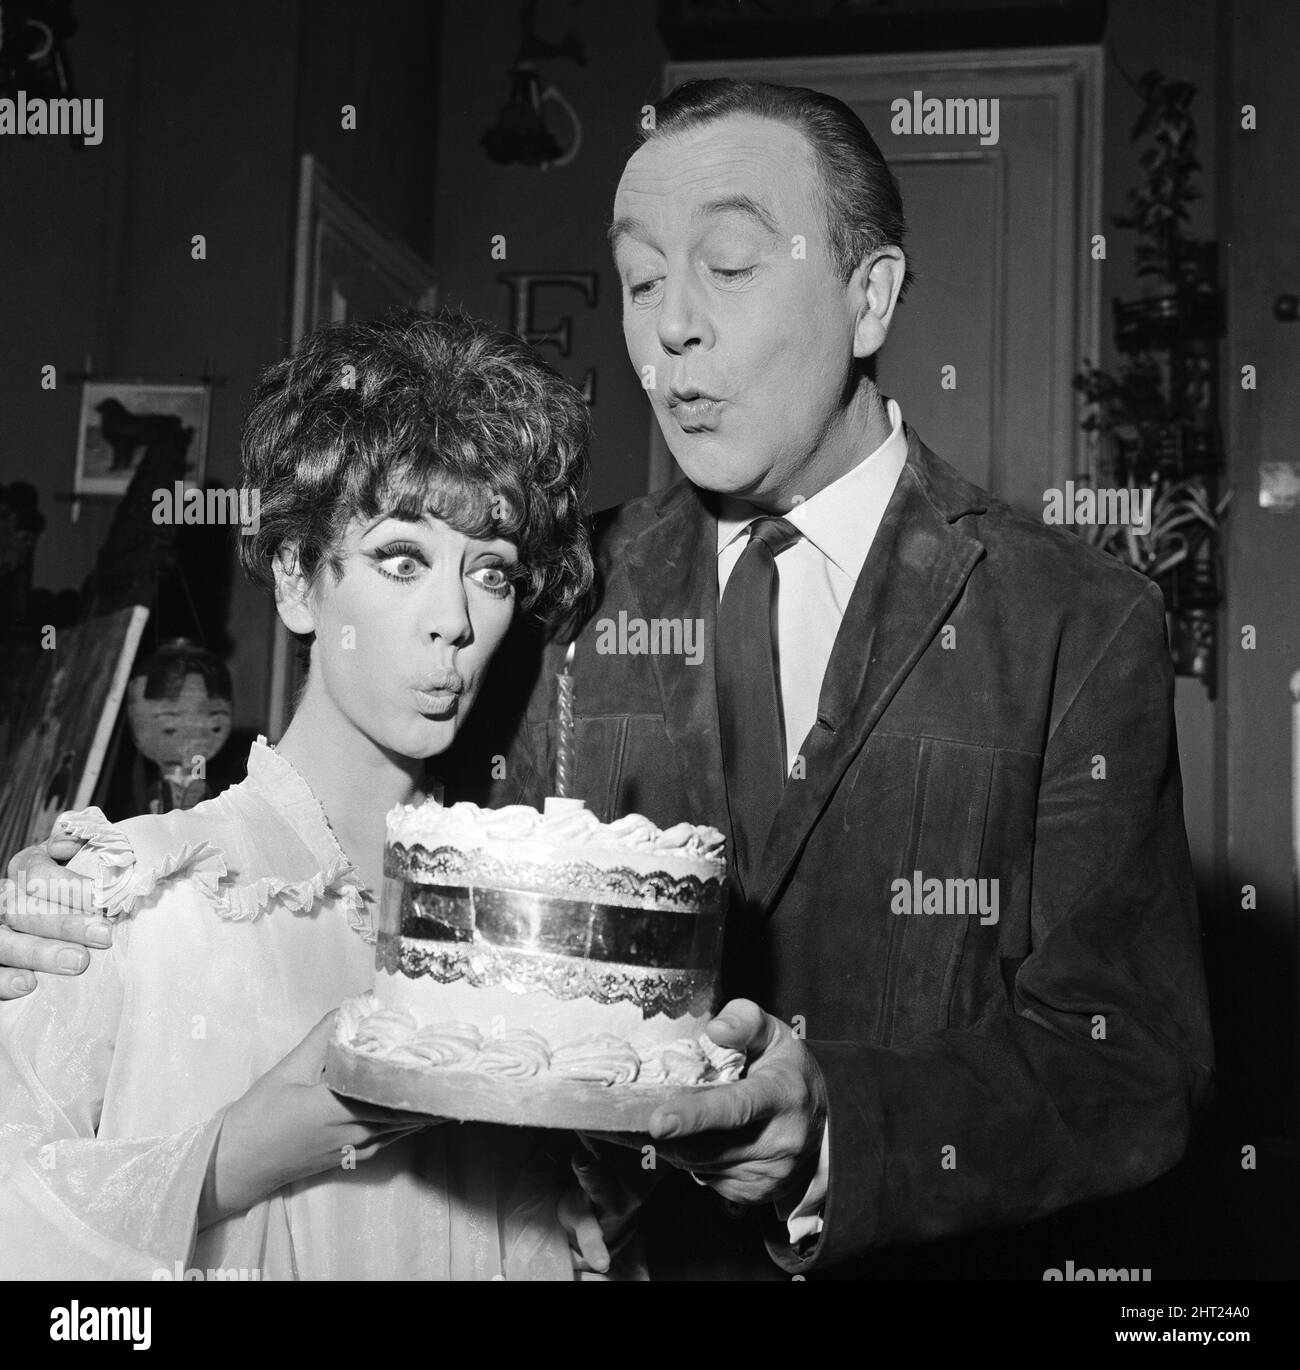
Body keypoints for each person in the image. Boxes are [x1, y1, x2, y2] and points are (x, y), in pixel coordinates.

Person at [2, 79, 1215, 1281]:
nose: (669, 326)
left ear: (869, 295)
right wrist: (83, 889)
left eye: (728, 265)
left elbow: (1132, 1063)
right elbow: (384, 859)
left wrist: (839, 1133)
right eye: (640, 280)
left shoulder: (1073, 619)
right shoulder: (555, 591)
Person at [0, 308, 631, 1280]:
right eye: (402, 558)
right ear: (297, 579)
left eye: (491, 570)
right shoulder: (133, 895)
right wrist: (224, 1160)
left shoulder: (509, 916)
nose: (455, 619)